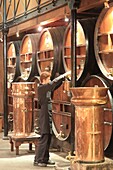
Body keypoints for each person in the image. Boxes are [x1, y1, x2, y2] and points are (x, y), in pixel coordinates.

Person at [34, 71, 71, 167]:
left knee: (48, 137)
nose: (49, 80)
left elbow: (54, 86)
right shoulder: (42, 87)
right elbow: (53, 83)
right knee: (44, 137)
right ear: (44, 80)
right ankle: (40, 159)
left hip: (47, 113)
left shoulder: (46, 88)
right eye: (48, 79)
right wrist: (63, 76)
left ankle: (45, 158)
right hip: (44, 114)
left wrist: (62, 80)